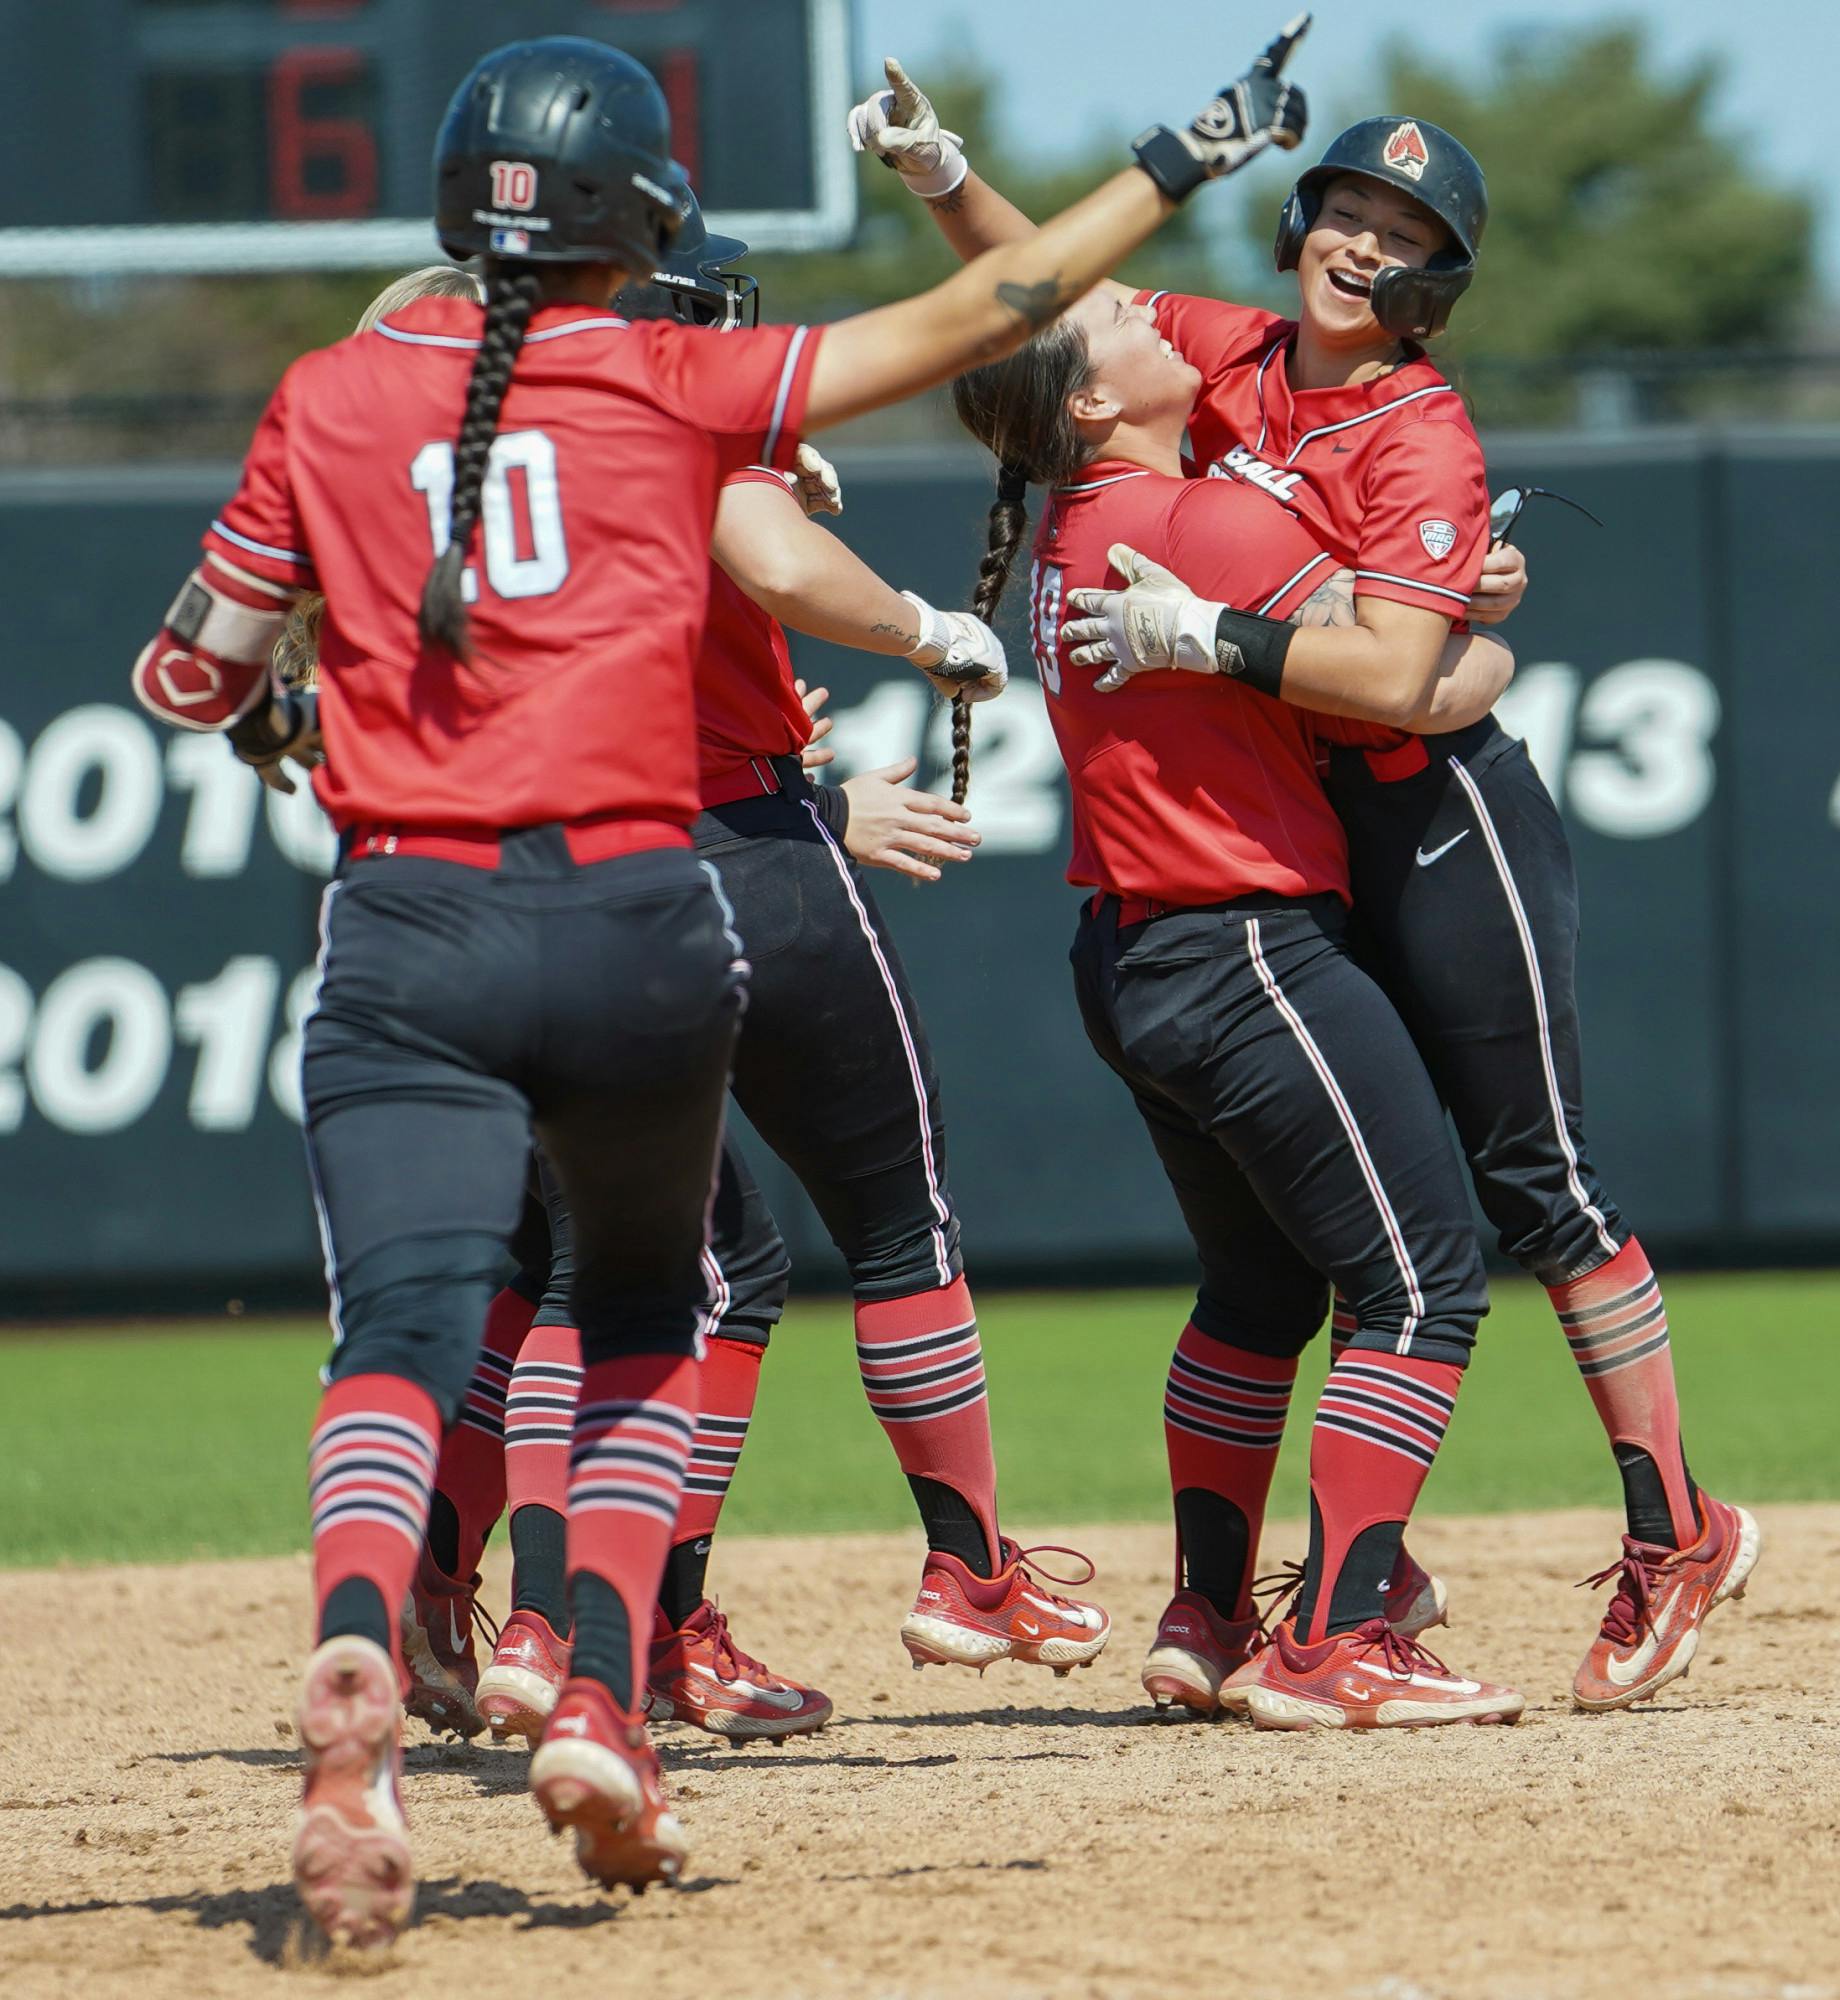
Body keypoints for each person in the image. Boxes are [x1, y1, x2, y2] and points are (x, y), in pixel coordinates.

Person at [131, 27, 1312, 1946]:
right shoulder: (673, 382)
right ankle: (604, 1682)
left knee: (406, 1341)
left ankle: (361, 1668)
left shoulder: (324, 396)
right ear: (635, 217)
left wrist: (293, 699)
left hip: (409, 921)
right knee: (655, 1319)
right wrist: (1174, 159)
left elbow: (188, 678)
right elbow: (990, 312)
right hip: (633, 908)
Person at [855, 66, 1757, 1713]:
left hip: (1430, 819)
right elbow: (1057, 306)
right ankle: (1297, 1595)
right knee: (1326, 1257)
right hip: (1294, 834)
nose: (1357, 241)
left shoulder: (1418, 428)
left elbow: (1420, 686)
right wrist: (944, 174)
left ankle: (1668, 1530)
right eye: (1343, 208)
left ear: (1435, 281)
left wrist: (1296, 640)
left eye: (1399, 233)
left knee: (1532, 1185)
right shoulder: (1228, 356)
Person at [416, 214, 1110, 1753]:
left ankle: (544, 1612)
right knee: (884, 1222)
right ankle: (965, 1565)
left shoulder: (446, 448)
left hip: (521, 876)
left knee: (598, 1263)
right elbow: (761, 547)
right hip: (730, 849)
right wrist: (922, 630)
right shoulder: (665, 406)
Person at [949, 277, 1528, 1729]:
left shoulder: (1079, 527)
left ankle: (1206, 1612)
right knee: (1419, 1282)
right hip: (1246, 949)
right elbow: (1405, 681)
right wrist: (1490, 624)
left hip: (1131, 955)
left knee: (1259, 1291)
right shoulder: (1202, 521)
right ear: (1090, 403)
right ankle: (1337, 1639)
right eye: (1123, 333)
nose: (1159, 326)